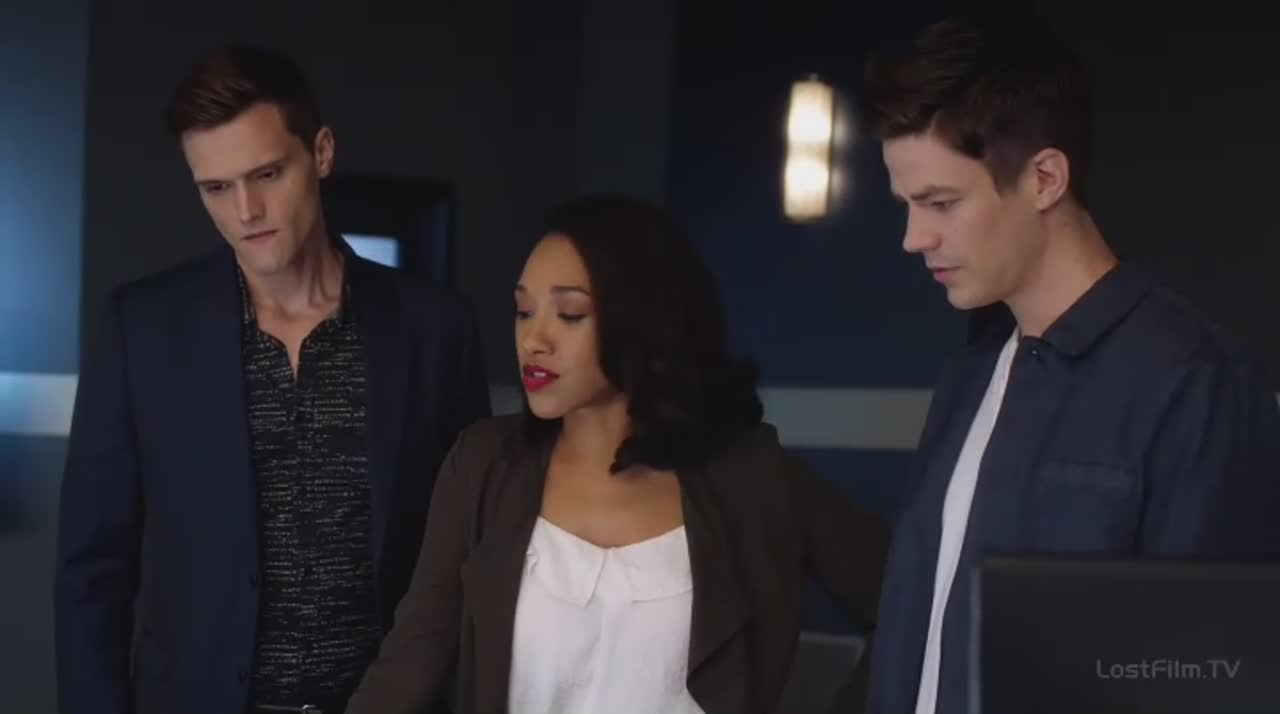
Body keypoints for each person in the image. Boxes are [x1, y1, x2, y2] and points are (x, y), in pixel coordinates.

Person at [860, 12, 1280, 714]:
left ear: (1045, 178)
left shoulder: (1196, 386)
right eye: (907, 205)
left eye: (940, 203)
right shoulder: (969, 376)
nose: (913, 237)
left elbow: (1208, 680)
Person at [53, 44, 491, 714]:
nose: (246, 211)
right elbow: (93, 571)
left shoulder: (436, 329)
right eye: (216, 188)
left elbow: (470, 556)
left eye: (267, 174)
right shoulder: (143, 329)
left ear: (321, 153)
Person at [342, 195, 890, 714]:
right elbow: (410, 661)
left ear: (644, 322)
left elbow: (913, 604)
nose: (533, 339)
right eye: (523, 311)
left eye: (569, 314)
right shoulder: (484, 465)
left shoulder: (753, 479)